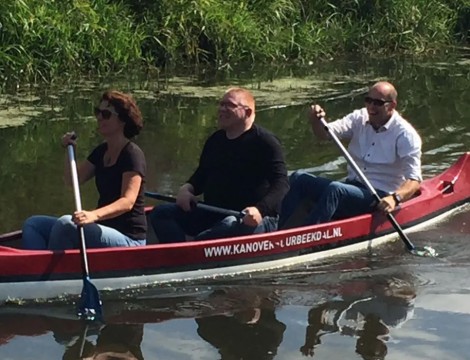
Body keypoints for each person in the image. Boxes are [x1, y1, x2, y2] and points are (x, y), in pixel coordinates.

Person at [149, 87, 289, 243]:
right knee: (160, 213)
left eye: (229, 105)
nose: (222, 109)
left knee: (228, 225)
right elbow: (202, 174)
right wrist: (187, 188)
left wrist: (260, 210)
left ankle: (196, 248)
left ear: (248, 112)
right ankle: (179, 255)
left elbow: (281, 184)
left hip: (250, 219)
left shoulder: (266, 142)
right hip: (212, 212)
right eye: (221, 104)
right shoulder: (215, 140)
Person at [279, 81, 422, 228]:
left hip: (379, 195)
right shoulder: (358, 118)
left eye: (378, 103)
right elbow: (325, 134)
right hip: (351, 187)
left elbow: (414, 180)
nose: (371, 107)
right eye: (368, 100)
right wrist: (316, 121)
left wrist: (395, 198)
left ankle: (307, 237)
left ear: (391, 105)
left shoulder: (405, 134)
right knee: (299, 178)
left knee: (336, 189)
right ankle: (277, 228)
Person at [22, 90, 147, 250]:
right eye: (98, 112)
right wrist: (69, 151)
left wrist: (93, 215)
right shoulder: (101, 151)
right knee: (33, 224)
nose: (99, 117)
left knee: (65, 224)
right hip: (103, 227)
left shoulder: (132, 154)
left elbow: (127, 202)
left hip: (129, 239)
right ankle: (36, 266)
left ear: (122, 120)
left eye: (106, 114)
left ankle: (53, 271)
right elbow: (72, 180)